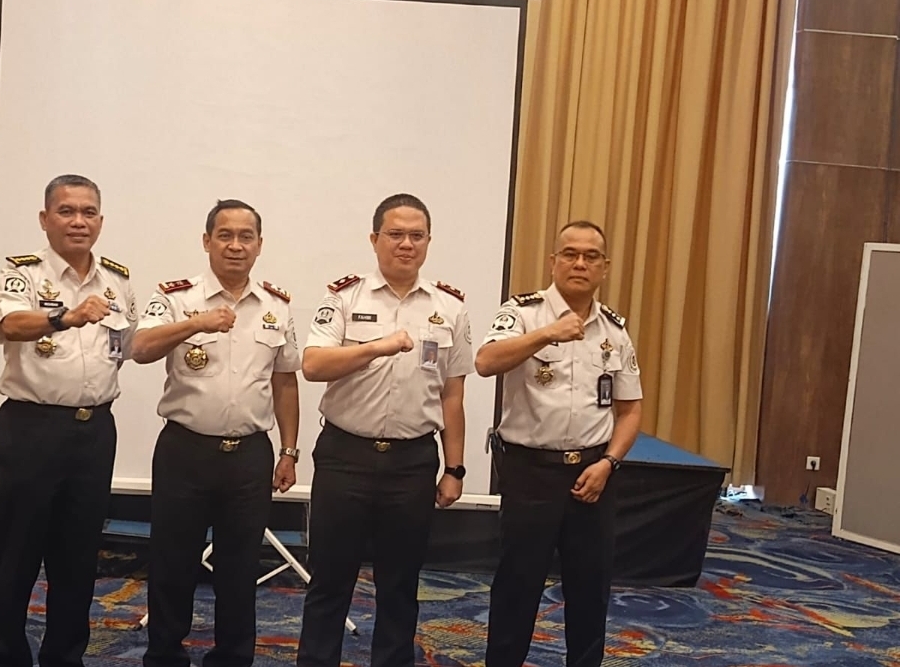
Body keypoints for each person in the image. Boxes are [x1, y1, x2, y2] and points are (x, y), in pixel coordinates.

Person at [297, 193, 471, 667]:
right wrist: (376, 347)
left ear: (429, 242)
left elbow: (452, 395)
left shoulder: (450, 307)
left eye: (416, 235)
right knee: (330, 579)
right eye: (395, 234)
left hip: (412, 462)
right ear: (375, 239)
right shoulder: (344, 297)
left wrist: (455, 467)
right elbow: (313, 365)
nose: (406, 244)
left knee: (400, 583)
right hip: (346, 456)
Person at [132, 199, 301, 667]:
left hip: (249, 454)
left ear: (259, 245)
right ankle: (164, 656)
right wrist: (196, 323)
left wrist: (289, 450)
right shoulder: (176, 297)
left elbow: (285, 381)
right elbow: (140, 348)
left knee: (240, 567)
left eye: (246, 236)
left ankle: (232, 658)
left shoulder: (276, 305)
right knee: (173, 562)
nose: (235, 245)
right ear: (207, 241)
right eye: (225, 235)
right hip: (185, 449)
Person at [0, 174, 138, 667]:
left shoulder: (118, 280)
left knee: (78, 561)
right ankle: (6, 658)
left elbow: (128, 346)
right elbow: (9, 325)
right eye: (67, 211)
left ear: (101, 221)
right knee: (16, 559)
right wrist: (63, 317)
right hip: (32, 430)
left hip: (94, 432)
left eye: (88, 212)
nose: (78, 221)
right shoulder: (22, 273)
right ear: (45, 219)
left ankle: (64, 658)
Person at [475, 220, 643, 667]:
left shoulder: (614, 330)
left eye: (591, 256)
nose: (579, 263)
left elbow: (630, 410)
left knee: (590, 588)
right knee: (517, 586)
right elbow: (486, 362)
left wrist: (609, 463)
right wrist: (546, 334)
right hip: (530, 472)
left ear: (604, 267)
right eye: (570, 254)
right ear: (553, 262)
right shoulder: (522, 313)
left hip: (593, 474)